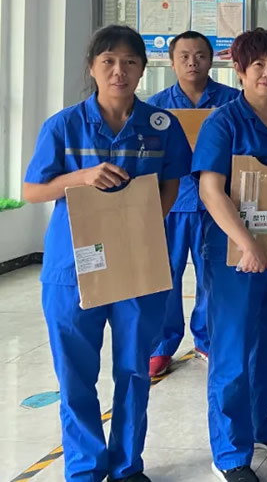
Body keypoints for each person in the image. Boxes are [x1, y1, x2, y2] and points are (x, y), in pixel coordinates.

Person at [23, 25, 192, 482]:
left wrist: (146, 224)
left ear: (142, 69)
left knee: (134, 369)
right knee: (75, 373)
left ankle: (126, 465)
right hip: (72, 268)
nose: (119, 71)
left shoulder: (160, 126)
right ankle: (84, 467)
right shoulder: (64, 126)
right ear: (93, 68)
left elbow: (172, 181)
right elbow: (33, 189)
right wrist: (80, 177)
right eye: (109, 62)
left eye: (130, 62)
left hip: (137, 264)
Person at [193, 28, 267, 482]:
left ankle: (260, 422)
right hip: (235, 256)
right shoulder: (222, 122)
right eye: (258, 64)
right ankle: (229, 451)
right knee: (233, 350)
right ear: (240, 71)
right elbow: (210, 190)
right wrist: (247, 244)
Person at [147, 31, 239, 378]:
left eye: (200, 55)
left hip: (217, 203)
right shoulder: (155, 107)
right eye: (184, 56)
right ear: (171, 62)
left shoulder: (231, 101)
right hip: (170, 203)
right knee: (165, 276)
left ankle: (208, 339)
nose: (192, 62)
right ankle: (161, 346)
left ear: (211, 60)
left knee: (213, 277)